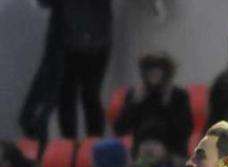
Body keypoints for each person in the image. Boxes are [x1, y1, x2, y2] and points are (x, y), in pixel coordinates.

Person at [19, 0, 112, 140]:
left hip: (94, 43)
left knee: (89, 96)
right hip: (69, 43)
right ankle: (71, 148)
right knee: (68, 97)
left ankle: (92, 145)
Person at [114, 52, 194, 158]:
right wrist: (134, 103)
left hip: (172, 152)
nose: (153, 74)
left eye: (158, 70)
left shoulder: (178, 95)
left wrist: (167, 105)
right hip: (141, 153)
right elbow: (120, 129)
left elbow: (186, 131)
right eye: (150, 70)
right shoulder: (137, 95)